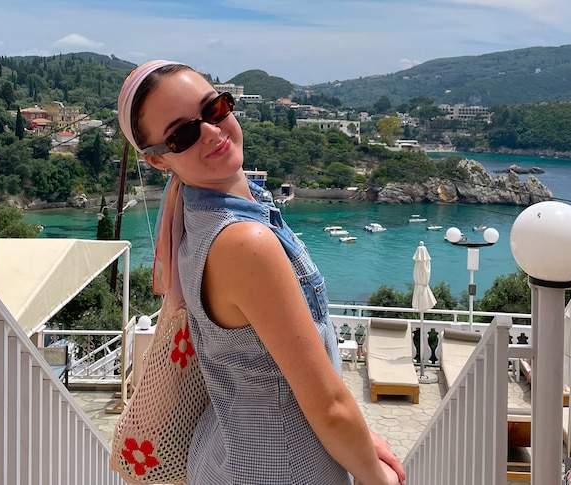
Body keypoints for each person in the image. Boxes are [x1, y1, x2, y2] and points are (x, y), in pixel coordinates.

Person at [118, 60, 405, 485]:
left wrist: (360, 438)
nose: (212, 132)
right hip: (279, 467)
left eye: (214, 109)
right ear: (158, 161)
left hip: (234, 452)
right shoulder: (242, 243)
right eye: (182, 135)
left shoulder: (199, 215)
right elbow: (327, 406)